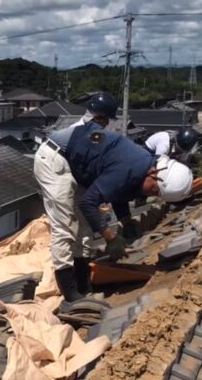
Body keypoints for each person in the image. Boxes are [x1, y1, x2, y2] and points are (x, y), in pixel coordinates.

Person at [34, 93, 193, 304]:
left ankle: (83, 285)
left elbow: (118, 191)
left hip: (75, 164)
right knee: (65, 225)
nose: (150, 194)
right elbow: (89, 202)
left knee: (84, 226)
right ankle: (70, 295)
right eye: (154, 190)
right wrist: (110, 237)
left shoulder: (143, 167)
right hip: (55, 159)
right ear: (155, 173)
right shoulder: (131, 167)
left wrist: (126, 221)